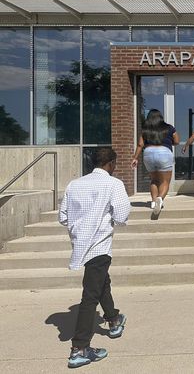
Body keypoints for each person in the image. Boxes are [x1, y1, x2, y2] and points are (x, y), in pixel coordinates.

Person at [58, 147, 131, 369]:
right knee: (90, 296)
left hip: (81, 245)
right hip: (99, 245)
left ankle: (113, 318)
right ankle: (79, 348)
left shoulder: (74, 184)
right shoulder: (114, 184)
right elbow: (121, 216)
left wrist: (80, 227)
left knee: (101, 283)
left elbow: (63, 217)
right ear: (111, 164)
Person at [131, 109, 179, 215]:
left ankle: (153, 202)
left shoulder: (145, 129)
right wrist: (168, 141)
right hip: (164, 152)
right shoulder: (169, 127)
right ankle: (160, 199)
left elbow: (140, 144)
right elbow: (176, 141)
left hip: (149, 152)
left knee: (154, 179)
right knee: (165, 181)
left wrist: (135, 158)